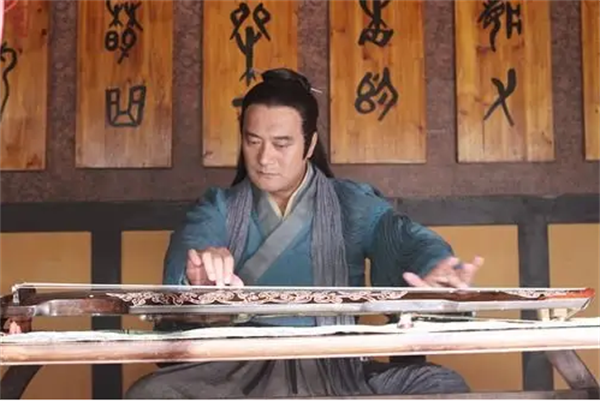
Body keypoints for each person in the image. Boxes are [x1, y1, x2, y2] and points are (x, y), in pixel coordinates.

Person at [124, 68, 484, 399]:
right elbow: (194, 245)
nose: (265, 158)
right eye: (253, 141)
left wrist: (434, 268)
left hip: (334, 363)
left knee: (441, 386)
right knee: (151, 394)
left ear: (309, 145)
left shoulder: (351, 204)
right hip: (238, 368)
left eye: (281, 144)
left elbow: (406, 240)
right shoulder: (219, 207)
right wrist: (198, 279)